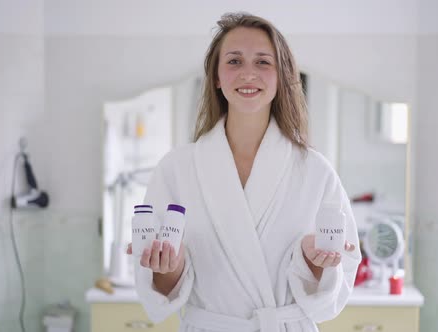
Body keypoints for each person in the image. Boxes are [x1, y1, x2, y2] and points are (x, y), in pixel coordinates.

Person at [126, 12, 361, 332]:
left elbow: (335, 287)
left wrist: (312, 264)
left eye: (263, 62)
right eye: (234, 61)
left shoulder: (315, 170)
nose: (248, 74)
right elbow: (158, 289)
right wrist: (169, 268)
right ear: (217, 77)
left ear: (281, 76)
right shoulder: (176, 169)